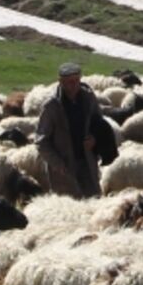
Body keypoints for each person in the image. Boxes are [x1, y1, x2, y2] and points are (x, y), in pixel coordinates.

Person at [36, 62, 104, 198]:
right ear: (60, 82)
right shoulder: (51, 106)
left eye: (76, 81)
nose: (74, 86)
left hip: (87, 163)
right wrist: (57, 163)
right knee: (70, 210)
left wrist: (95, 139)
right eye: (69, 82)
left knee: (93, 203)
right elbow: (41, 141)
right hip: (65, 168)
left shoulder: (89, 99)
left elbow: (99, 125)